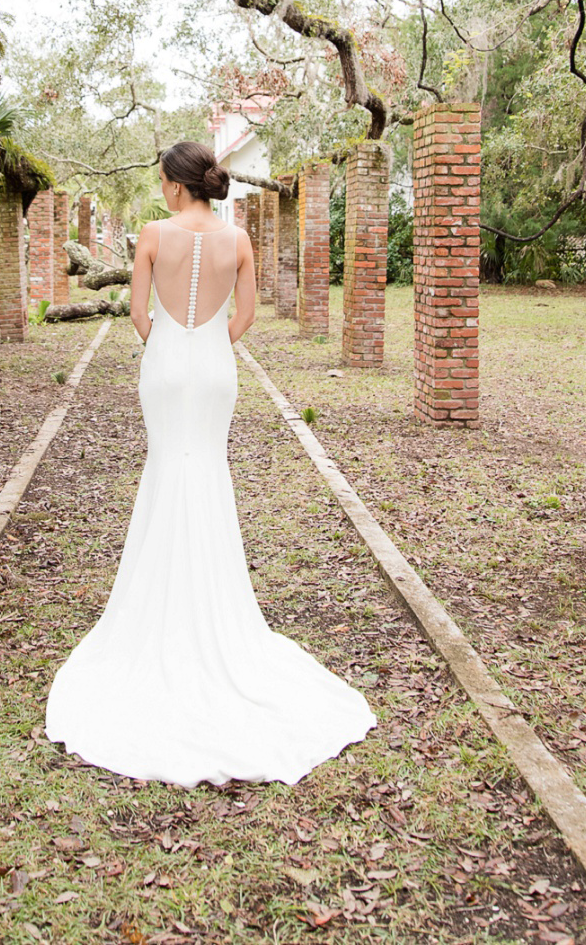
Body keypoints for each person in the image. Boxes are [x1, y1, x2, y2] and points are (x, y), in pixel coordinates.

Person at [45, 140, 375, 786]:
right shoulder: (237, 240)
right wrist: (209, 349)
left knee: (169, 468)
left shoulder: (151, 233)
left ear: (173, 183)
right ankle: (218, 609)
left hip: (167, 366)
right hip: (216, 370)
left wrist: (170, 345)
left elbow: (137, 313)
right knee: (208, 473)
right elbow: (245, 314)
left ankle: (158, 604)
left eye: (159, 177)